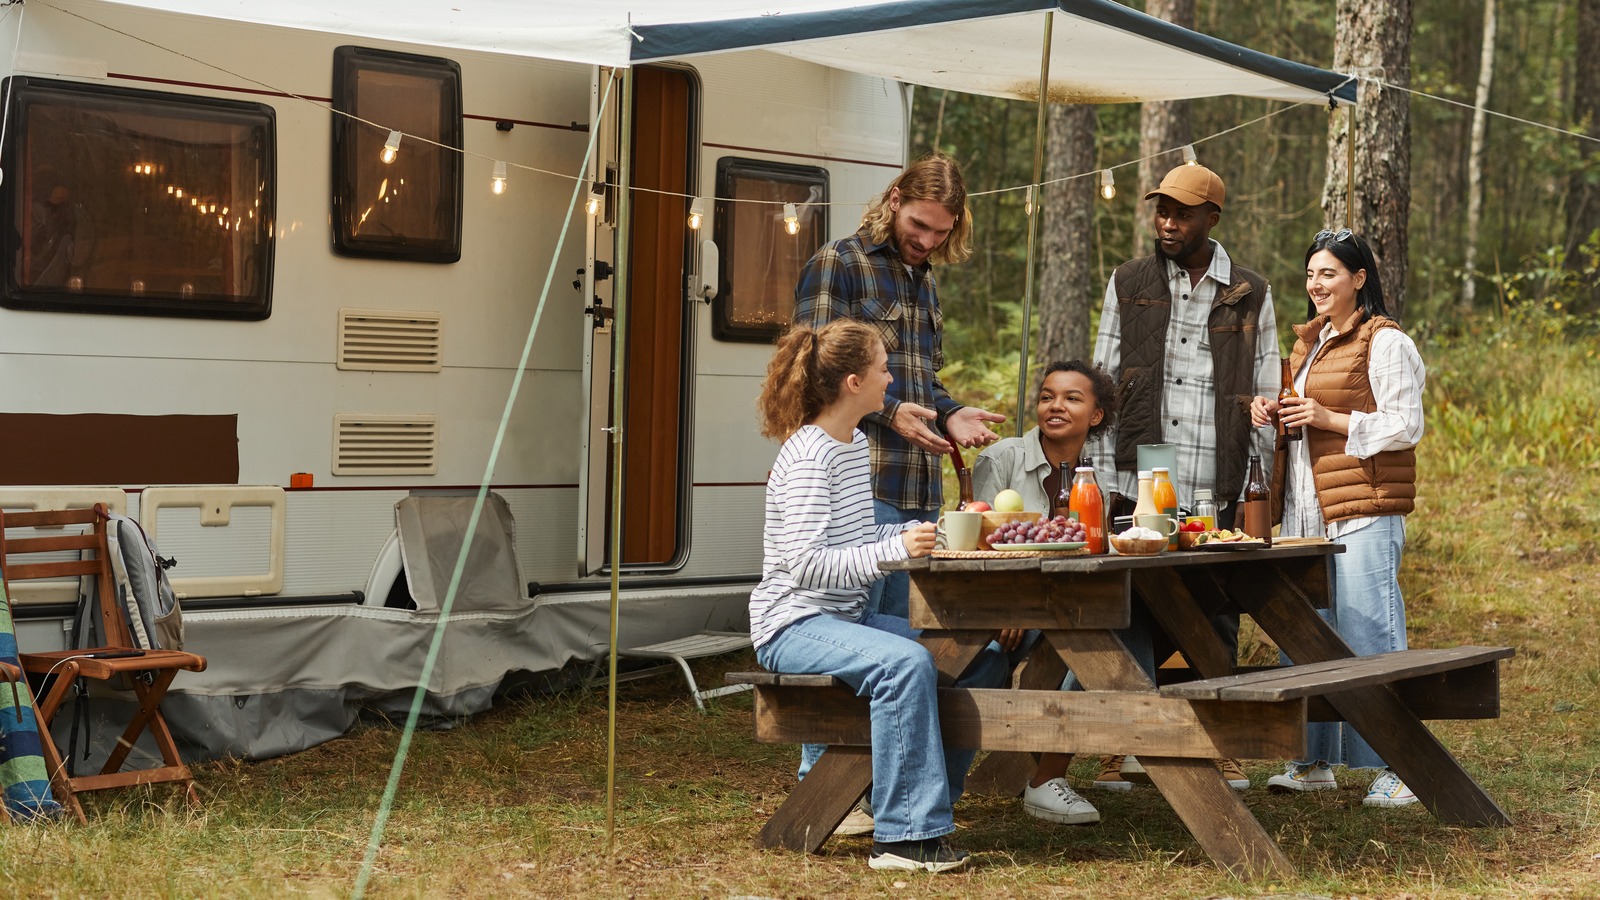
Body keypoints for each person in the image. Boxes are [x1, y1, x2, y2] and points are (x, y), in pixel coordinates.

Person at [751, 320, 1009, 873]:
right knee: (906, 664)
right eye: (882, 369)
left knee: (980, 657)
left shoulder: (853, 444)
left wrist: (918, 537)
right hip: (793, 623)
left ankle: (905, 799)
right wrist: (888, 549)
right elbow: (802, 565)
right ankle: (905, 840)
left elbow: (857, 541)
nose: (890, 379)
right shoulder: (808, 457)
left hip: (848, 617)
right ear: (852, 382)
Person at [1083, 163, 1277, 792]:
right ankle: (1125, 746)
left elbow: (1267, 387)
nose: (1168, 222)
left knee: (1216, 607)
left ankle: (1217, 744)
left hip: (1215, 471)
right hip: (1145, 466)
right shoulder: (1128, 281)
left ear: (1212, 218)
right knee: (1131, 605)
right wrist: (1102, 466)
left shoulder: (1250, 290)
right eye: (1162, 210)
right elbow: (1104, 378)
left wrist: (1261, 477)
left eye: (1183, 212)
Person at [1250, 229, 1425, 808]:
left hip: (1363, 509)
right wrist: (1273, 412)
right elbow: (1306, 424)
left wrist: (1330, 415)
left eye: (1328, 273)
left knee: (1369, 630)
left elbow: (1405, 424)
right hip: (1305, 509)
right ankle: (1312, 760)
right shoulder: (1310, 343)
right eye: (1310, 274)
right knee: (1307, 632)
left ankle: (1400, 765)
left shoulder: (1386, 341)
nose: (1316, 285)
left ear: (1359, 278)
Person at [794, 152, 1007, 621]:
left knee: (907, 625)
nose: (927, 241)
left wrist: (950, 413)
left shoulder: (923, 280)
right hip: (861, 485)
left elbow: (922, 377)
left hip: (921, 493)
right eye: (919, 225)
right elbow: (811, 370)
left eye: (941, 232)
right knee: (862, 627)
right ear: (894, 200)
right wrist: (891, 414)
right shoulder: (840, 262)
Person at [972, 360, 1118, 825]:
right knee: (1087, 638)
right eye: (1048, 396)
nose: (1056, 406)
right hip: (999, 612)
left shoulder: (1098, 479)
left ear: (1096, 415)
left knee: (1111, 634)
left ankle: (1047, 777)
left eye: (1072, 398)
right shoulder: (1003, 459)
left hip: (1062, 610)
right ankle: (1045, 775)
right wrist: (1016, 604)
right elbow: (980, 545)